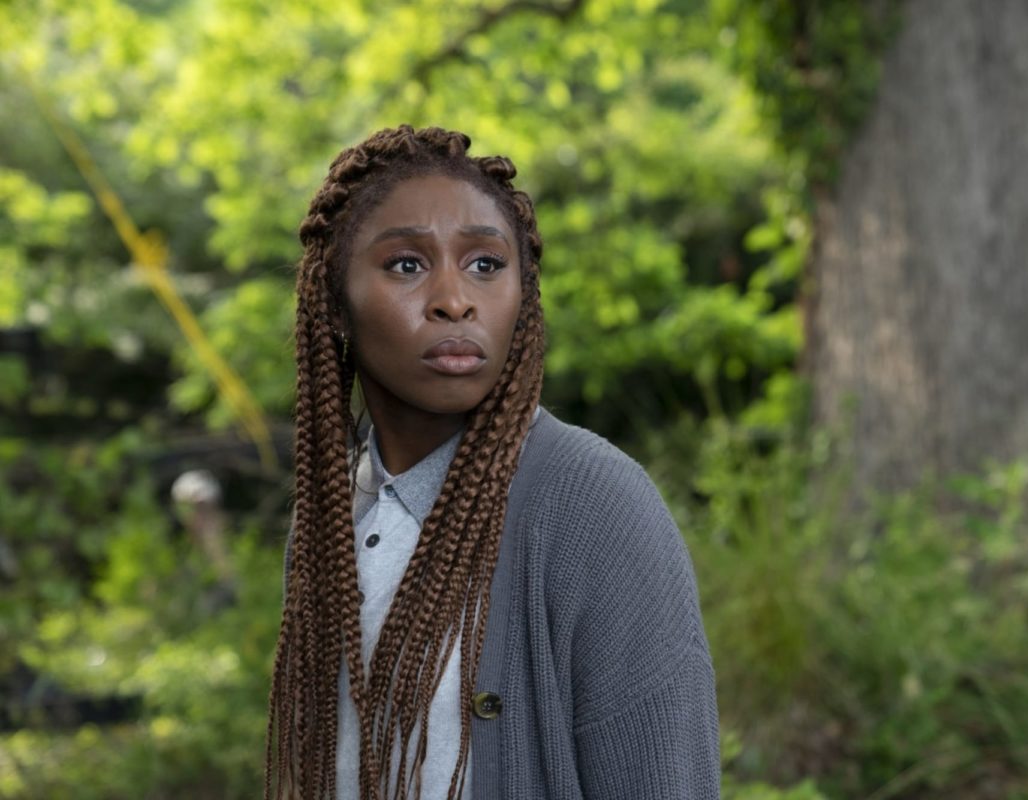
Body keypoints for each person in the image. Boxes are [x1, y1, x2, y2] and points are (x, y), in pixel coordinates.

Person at [264, 124, 720, 800]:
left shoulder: (591, 503)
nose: (455, 299)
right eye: (406, 265)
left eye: (485, 264)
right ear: (333, 303)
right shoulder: (330, 514)